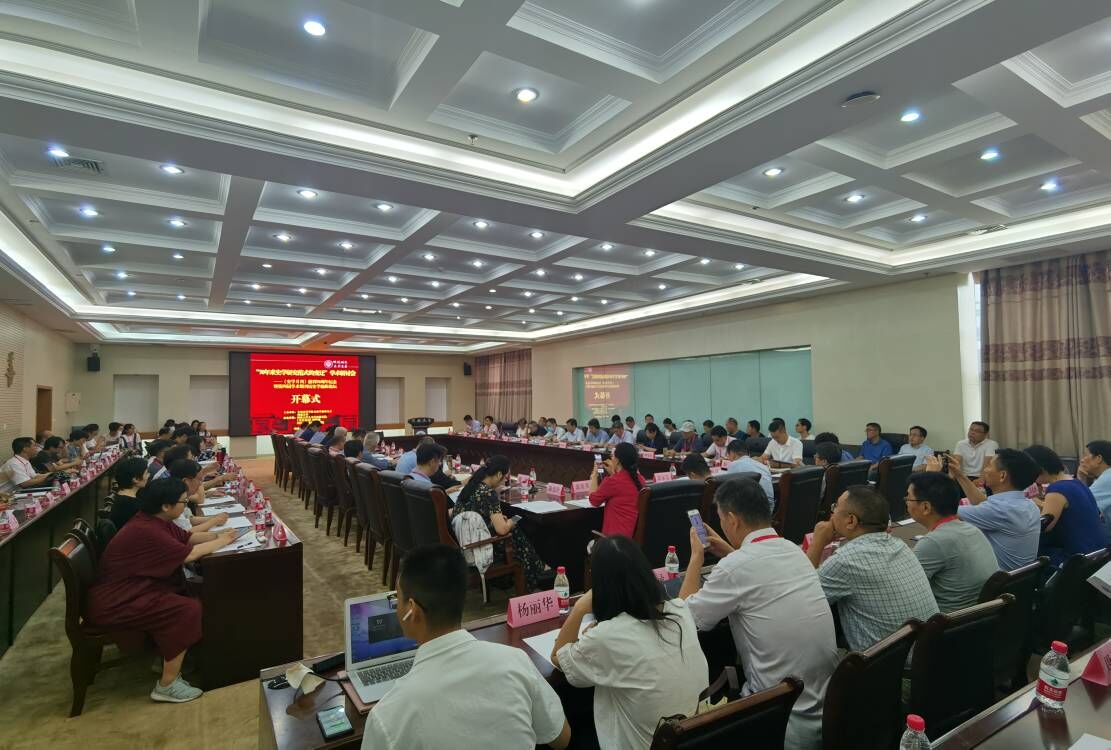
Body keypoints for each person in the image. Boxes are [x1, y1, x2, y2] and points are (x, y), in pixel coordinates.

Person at [361, 545, 570, 750]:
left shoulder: (388, 716)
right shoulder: (515, 662)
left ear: (412, 610)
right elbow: (561, 738)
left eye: (397, 599)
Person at [681, 478, 838, 750]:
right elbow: (760, 570)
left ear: (732, 520)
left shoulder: (734, 567)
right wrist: (730, 552)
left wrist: (696, 557)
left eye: (721, 519)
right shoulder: (793, 550)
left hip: (776, 720)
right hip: (823, 712)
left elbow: (684, 618)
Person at [86, 479, 237, 704]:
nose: (185, 506)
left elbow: (187, 538)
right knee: (187, 609)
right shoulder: (146, 530)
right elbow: (189, 554)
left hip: (132, 588)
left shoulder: (155, 520)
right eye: (183, 502)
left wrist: (221, 535)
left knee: (187, 590)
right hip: (118, 601)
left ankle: (170, 653)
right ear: (166, 505)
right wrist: (221, 541)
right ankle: (167, 684)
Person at [553, 536, 707, 749]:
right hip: (693, 738)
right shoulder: (680, 612)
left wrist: (579, 607)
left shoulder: (608, 636)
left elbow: (558, 656)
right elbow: (682, 600)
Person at [808, 486, 938, 652]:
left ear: (851, 521)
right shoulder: (901, 545)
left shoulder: (846, 561)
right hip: (930, 653)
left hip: (889, 664)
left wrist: (817, 542)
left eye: (835, 507)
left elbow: (803, 599)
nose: (832, 514)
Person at [905, 472, 998, 613]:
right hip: (980, 616)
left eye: (908, 498)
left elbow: (904, 589)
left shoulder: (934, 542)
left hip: (950, 621)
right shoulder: (972, 529)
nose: (906, 502)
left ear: (925, 507)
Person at [451, 456, 548, 589]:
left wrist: (496, 521)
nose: (505, 481)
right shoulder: (488, 493)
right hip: (481, 546)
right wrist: (511, 522)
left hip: (464, 542)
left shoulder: (470, 487)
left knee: (517, 534)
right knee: (517, 532)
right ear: (498, 474)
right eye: (505, 477)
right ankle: (535, 576)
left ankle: (537, 571)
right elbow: (502, 530)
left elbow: (474, 513)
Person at [951, 450, 1041, 571]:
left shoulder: (1000, 510)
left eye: (989, 466)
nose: (985, 470)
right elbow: (984, 506)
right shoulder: (1029, 505)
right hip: (1019, 578)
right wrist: (959, 475)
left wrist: (931, 475)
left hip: (993, 579)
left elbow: (941, 510)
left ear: (1002, 476)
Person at [1023, 445, 1106, 569]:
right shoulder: (1076, 483)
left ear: (1039, 469)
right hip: (1097, 552)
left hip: (1076, 558)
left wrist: (1028, 501)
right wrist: (1035, 501)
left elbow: (1045, 526)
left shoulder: (1056, 489)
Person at [588, 442, 642, 538]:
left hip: (615, 540)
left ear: (617, 461)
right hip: (632, 538)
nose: (611, 459)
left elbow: (593, 501)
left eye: (612, 456)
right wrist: (614, 473)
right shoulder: (640, 479)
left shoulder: (613, 481)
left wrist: (594, 475)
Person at [725, 439, 774, 508]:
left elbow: (729, 489)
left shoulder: (734, 464)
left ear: (732, 453)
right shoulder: (763, 466)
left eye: (728, 455)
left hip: (752, 510)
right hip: (769, 508)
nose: (729, 458)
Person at [106, 456, 151, 530]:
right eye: (146, 473)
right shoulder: (132, 506)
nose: (149, 475)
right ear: (135, 479)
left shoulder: (121, 495)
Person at [1080, 440, 1111, 544]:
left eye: (1086, 455)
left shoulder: (1107, 478)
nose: (1082, 460)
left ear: (1098, 458)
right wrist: (1082, 478)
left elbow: (1079, 505)